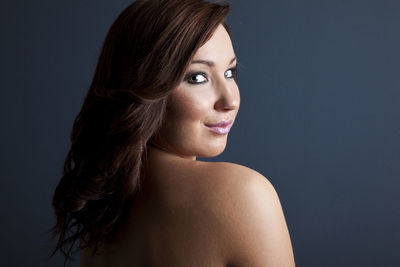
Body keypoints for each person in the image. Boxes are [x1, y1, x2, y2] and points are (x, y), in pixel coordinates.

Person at [50, 0, 295, 266]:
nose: (230, 100)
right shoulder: (243, 194)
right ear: (145, 85)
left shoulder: (102, 216)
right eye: (197, 78)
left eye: (229, 72)